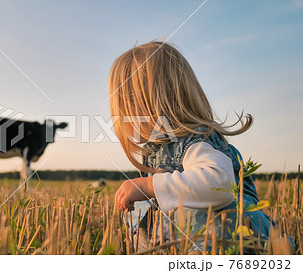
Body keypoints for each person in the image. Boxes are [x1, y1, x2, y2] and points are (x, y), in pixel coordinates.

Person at [108, 41, 285, 253]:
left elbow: (219, 182)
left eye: (127, 108)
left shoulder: (192, 141)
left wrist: (148, 186)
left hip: (230, 241)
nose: (123, 120)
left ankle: (278, 246)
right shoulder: (159, 148)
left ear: (151, 105)